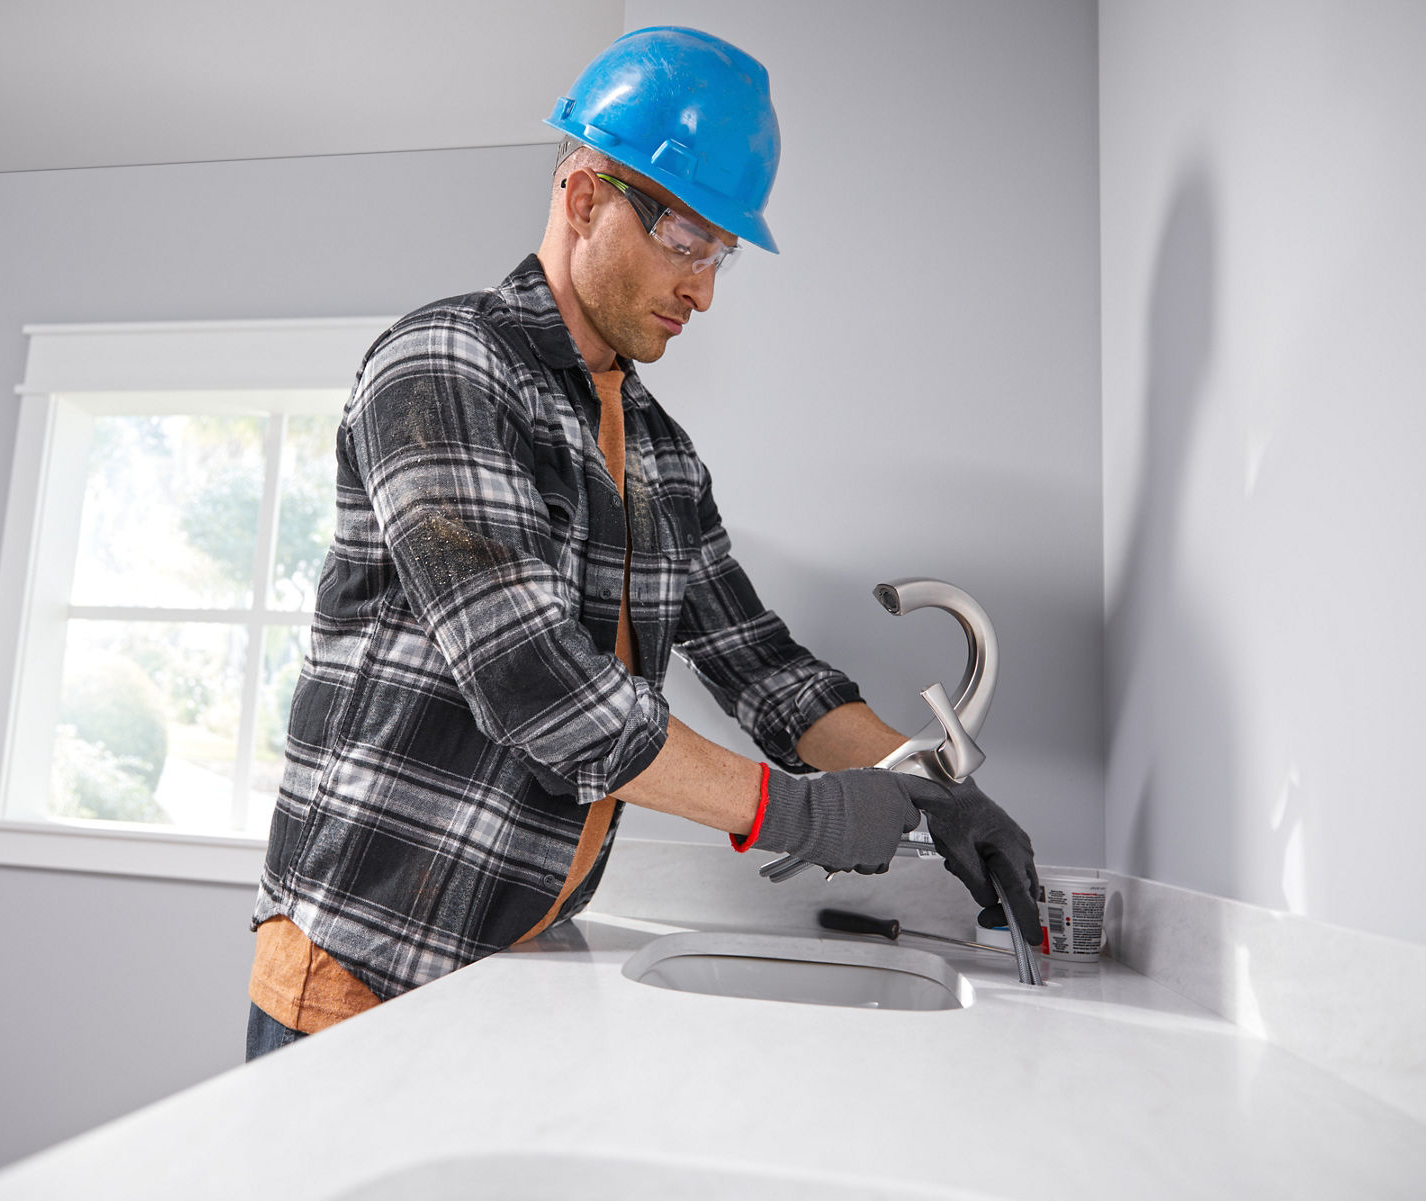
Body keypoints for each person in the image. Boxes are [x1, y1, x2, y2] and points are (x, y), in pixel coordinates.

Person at [245, 26, 1041, 1060]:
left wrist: (931, 788)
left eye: (722, 256)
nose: (704, 289)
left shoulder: (658, 449)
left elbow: (764, 667)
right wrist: (798, 814)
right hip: (364, 964)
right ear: (584, 200)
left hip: (513, 955)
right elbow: (538, 687)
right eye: (686, 243)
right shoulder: (444, 366)